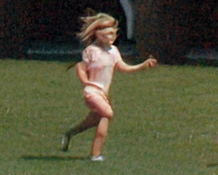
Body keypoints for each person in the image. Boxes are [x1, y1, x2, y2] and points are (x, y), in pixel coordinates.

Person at [61, 10, 156, 162]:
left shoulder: (113, 51)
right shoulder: (91, 51)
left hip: (104, 94)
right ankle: (95, 155)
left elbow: (124, 68)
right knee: (107, 114)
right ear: (97, 33)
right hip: (92, 92)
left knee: (92, 121)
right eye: (107, 33)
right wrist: (86, 83)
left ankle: (69, 134)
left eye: (114, 33)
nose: (111, 37)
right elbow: (80, 67)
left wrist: (143, 66)